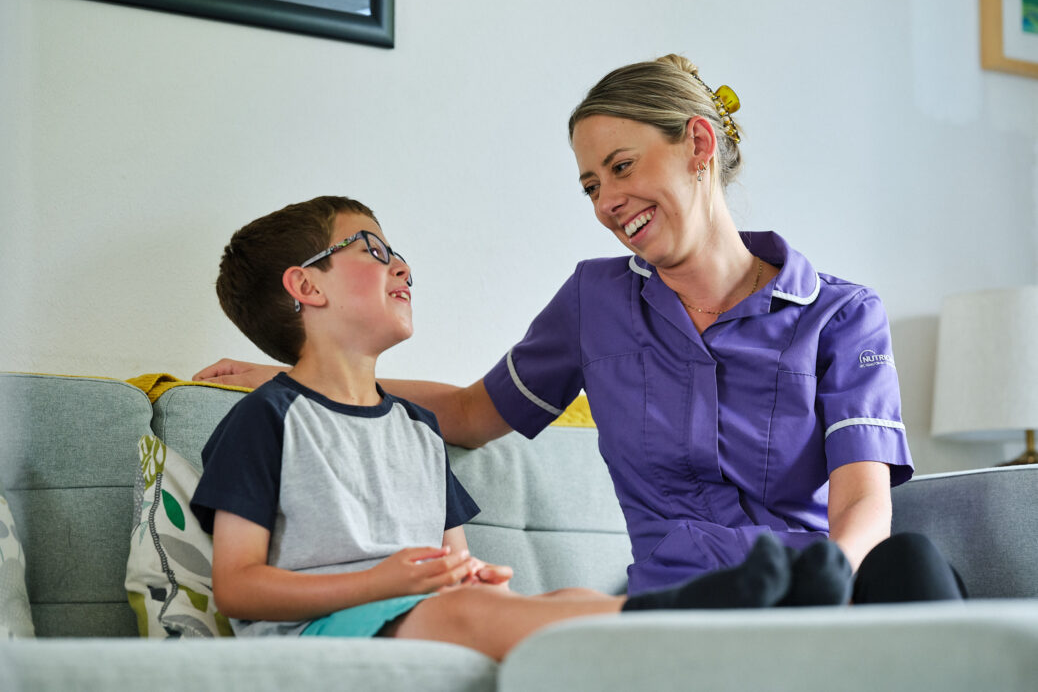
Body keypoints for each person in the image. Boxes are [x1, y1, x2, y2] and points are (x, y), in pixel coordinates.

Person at [195, 56, 965, 605]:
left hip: (825, 590)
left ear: (699, 145)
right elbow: (470, 412)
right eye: (591, 185)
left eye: (622, 168)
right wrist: (298, 378)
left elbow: (862, 507)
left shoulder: (840, 313)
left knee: (914, 565)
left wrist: (826, 588)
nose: (606, 203)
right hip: (684, 605)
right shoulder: (595, 302)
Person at [190, 195, 857, 662]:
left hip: (419, 612)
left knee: (568, 596)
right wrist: (383, 583)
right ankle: (704, 618)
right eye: (371, 249)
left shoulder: (418, 429)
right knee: (462, 613)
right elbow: (238, 586)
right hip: (318, 633)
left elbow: (452, 566)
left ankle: (733, 622)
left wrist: (476, 576)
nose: (402, 265)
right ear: (306, 287)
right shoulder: (267, 420)